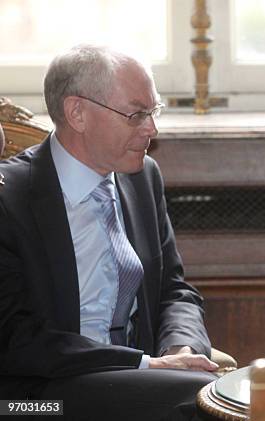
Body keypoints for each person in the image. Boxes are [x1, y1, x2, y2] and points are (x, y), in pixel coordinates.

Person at [0, 45, 219, 421]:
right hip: (36, 401)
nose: (152, 129)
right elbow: (15, 337)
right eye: (136, 115)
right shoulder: (11, 197)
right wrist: (143, 365)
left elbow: (175, 289)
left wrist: (181, 349)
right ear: (77, 113)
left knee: (222, 391)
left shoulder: (142, 177)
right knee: (198, 399)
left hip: (139, 380)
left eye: (153, 112)